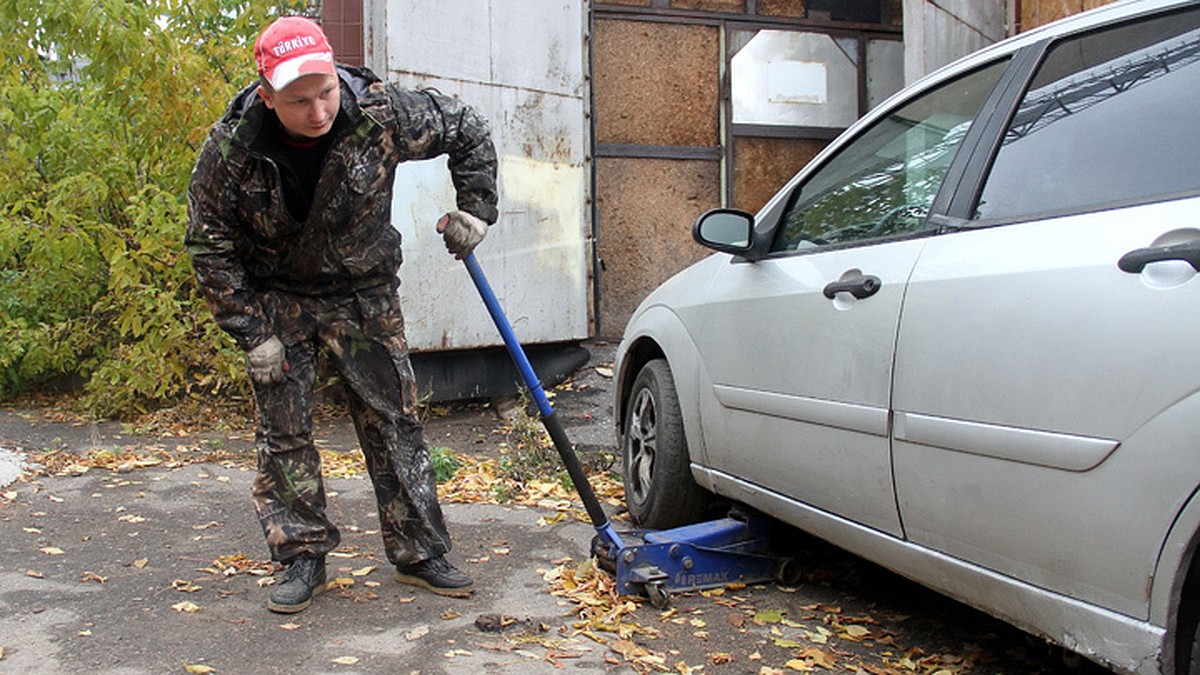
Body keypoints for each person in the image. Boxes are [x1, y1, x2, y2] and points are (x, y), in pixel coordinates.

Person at [185, 16, 498, 614]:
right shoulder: (232, 150)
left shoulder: (380, 112)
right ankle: (302, 557)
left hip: (363, 292)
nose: (319, 109)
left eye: (326, 90)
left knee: (394, 419)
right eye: (299, 100)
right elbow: (208, 244)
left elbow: (468, 127)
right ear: (266, 95)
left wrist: (476, 209)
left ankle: (419, 552)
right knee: (284, 432)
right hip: (278, 299)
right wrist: (251, 330)